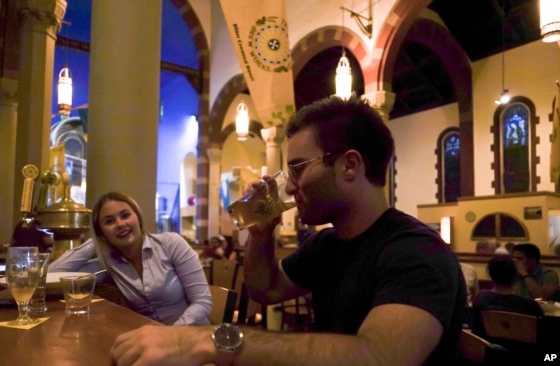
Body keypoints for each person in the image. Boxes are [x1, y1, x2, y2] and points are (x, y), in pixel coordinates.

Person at [109, 95, 466, 366]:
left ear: (350, 165)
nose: (290, 186)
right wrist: (262, 234)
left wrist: (207, 340)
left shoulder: (417, 252)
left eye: (297, 168)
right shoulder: (328, 244)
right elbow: (264, 288)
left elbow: (376, 357)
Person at [49, 191, 212, 325]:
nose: (120, 224)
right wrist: (95, 242)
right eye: (109, 221)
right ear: (102, 232)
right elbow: (53, 274)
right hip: (150, 341)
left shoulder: (171, 243)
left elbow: (202, 301)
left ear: (138, 219)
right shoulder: (108, 264)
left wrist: (169, 335)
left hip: (191, 336)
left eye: (125, 215)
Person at [472, 255, 543, 336]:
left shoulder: (481, 297)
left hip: (488, 346)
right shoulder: (530, 306)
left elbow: (476, 331)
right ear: (515, 275)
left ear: (491, 275)